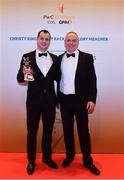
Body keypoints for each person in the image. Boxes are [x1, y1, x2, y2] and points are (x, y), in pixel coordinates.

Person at [57, 32, 100, 175]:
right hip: (64, 100)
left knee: (83, 132)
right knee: (68, 131)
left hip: (81, 101)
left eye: (73, 40)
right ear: (64, 42)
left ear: (78, 42)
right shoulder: (59, 58)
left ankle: (87, 160)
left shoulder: (87, 58)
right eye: (68, 40)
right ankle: (70, 156)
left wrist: (92, 99)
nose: (71, 43)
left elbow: (92, 80)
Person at [17, 30, 59, 175]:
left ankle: (47, 158)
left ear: (50, 41)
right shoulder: (27, 57)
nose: (44, 41)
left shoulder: (55, 58)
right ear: (37, 39)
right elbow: (20, 79)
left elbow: (59, 80)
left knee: (48, 132)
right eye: (42, 38)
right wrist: (26, 74)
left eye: (47, 39)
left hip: (50, 102)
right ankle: (31, 161)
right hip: (33, 102)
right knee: (32, 132)